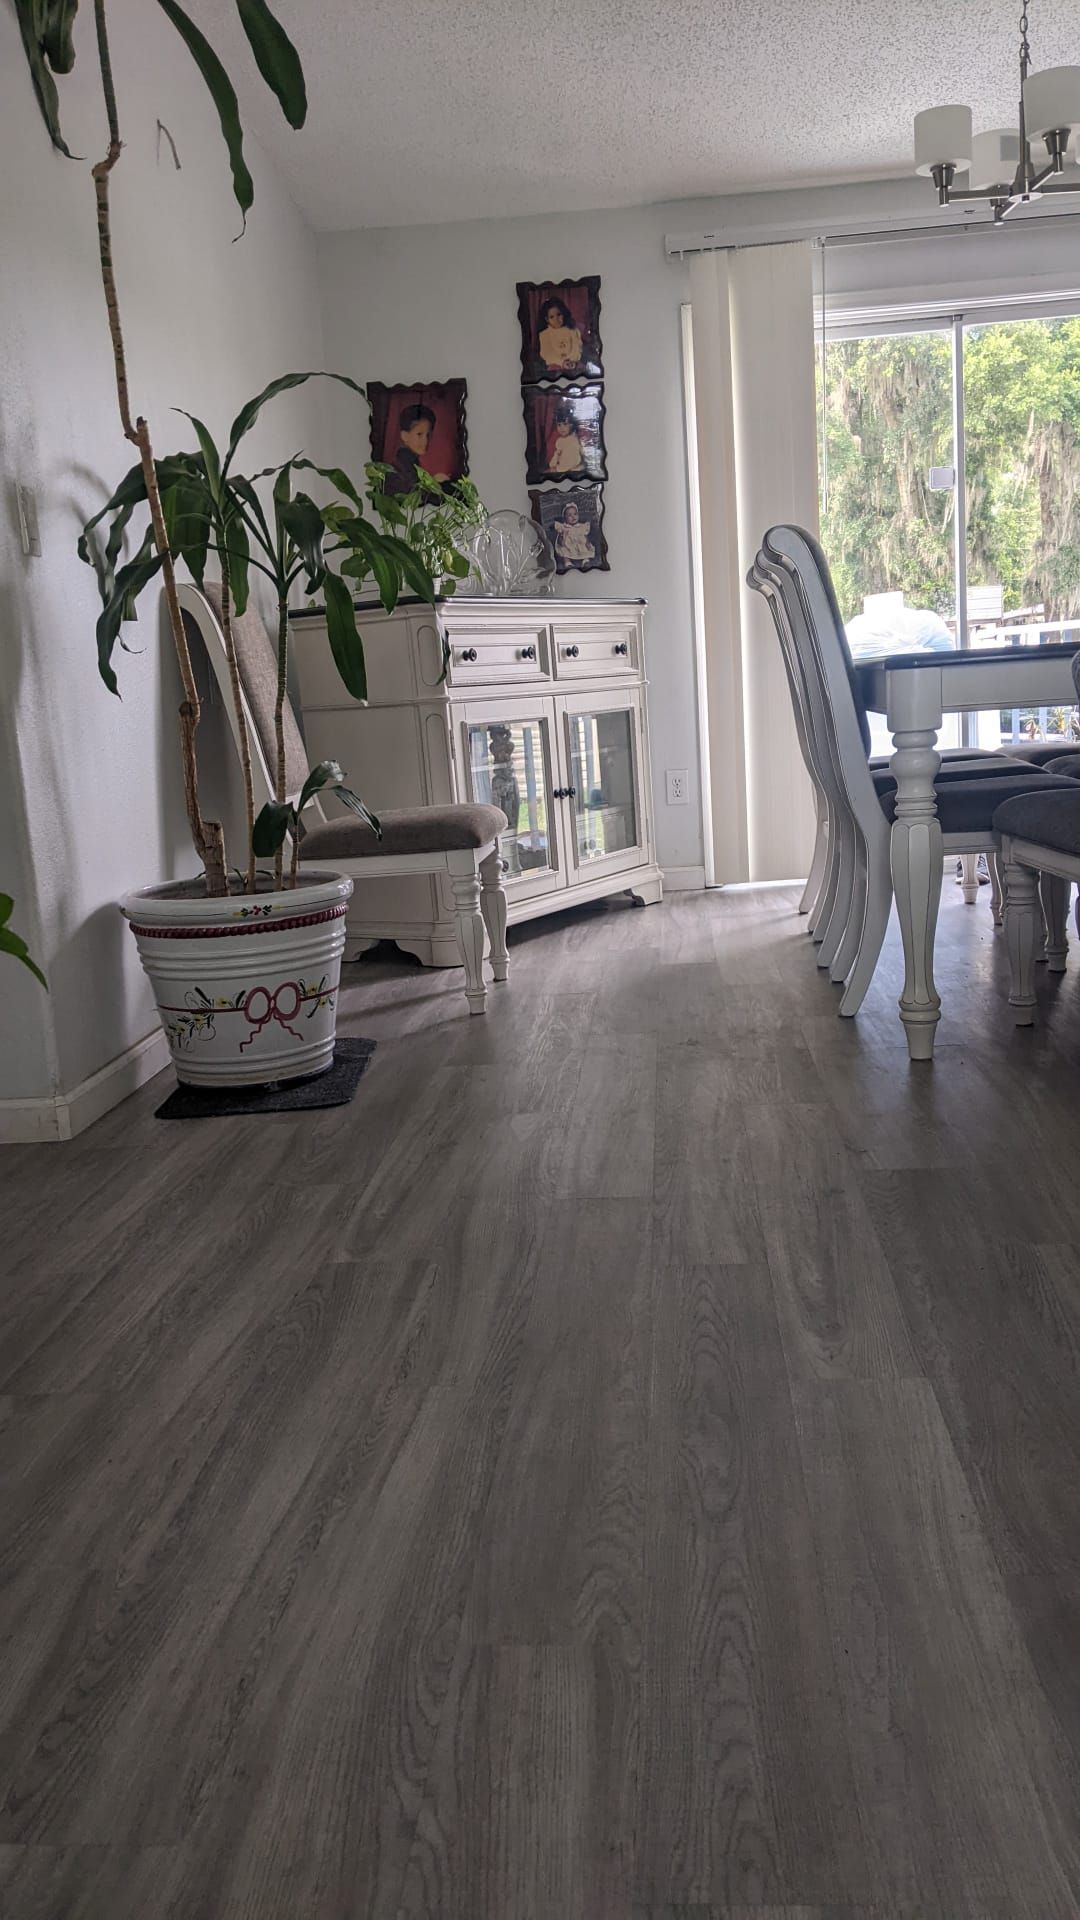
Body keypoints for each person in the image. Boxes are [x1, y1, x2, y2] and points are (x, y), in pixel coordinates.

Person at [385, 401, 448, 496]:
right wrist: (435, 484)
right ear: (404, 436)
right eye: (419, 434)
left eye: (428, 435)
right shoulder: (400, 468)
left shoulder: (411, 464)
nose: (425, 441)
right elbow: (414, 498)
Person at [537, 296, 583, 373]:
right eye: (552, 317)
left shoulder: (573, 330)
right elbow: (547, 354)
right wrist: (562, 362)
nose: (556, 319)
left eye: (559, 314)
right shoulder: (544, 335)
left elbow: (577, 348)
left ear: (563, 314)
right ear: (547, 319)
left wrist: (572, 361)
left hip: (573, 364)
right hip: (555, 365)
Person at [553, 499, 594, 565]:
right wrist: (562, 541)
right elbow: (560, 538)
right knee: (564, 551)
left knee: (584, 549)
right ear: (565, 518)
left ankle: (585, 560)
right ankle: (567, 562)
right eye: (569, 515)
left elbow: (584, 535)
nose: (573, 517)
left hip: (579, 544)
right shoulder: (564, 527)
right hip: (568, 545)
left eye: (575, 514)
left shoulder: (581, 526)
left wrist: (587, 542)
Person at [547, 403, 584, 474]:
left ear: (572, 425)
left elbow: (583, 455)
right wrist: (552, 466)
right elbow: (556, 455)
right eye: (559, 425)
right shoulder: (559, 441)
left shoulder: (576, 439)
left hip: (575, 469)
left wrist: (580, 467)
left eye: (565, 424)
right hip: (561, 469)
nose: (561, 428)